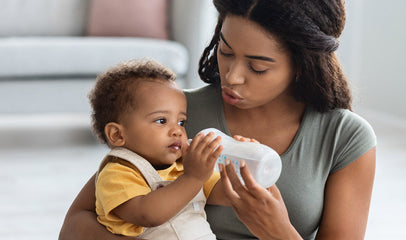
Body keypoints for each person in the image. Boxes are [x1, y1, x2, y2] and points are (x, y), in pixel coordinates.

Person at [59, 0, 377, 239]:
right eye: (225, 52)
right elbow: (77, 223)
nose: (232, 76)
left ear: (302, 65)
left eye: (258, 67)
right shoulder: (172, 117)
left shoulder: (345, 138)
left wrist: (276, 230)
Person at [87, 59, 229, 239]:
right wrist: (193, 178)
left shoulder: (184, 165)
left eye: (181, 122)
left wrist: (244, 165)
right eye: (161, 121)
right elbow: (149, 214)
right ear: (117, 135)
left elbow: (224, 194)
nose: (177, 130)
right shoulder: (116, 174)